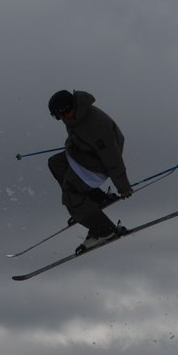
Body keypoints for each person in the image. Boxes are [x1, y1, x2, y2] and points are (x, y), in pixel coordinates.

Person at [47, 90, 133, 250]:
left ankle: (104, 230)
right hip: (86, 155)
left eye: (65, 112)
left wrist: (123, 186)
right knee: (56, 163)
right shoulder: (74, 116)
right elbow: (76, 135)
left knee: (70, 194)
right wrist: (71, 145)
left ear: (73, 105)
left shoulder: (95, 126)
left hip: (99, 163)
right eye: (59, 116)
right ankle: (93, 200)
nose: (64, 117)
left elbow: (112, 157)